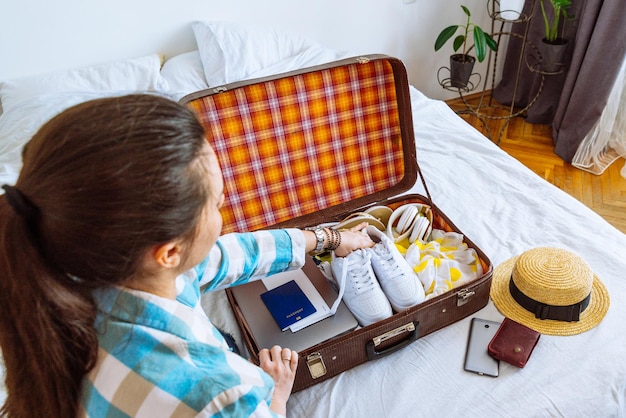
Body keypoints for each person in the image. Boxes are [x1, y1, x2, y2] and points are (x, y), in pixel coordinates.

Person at [0, 94, 373, 417]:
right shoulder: (220, 395)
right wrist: (274, 396)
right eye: (216, 203)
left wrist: (326, 238)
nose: (224, 209)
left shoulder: (68, 263)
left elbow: (223, 256)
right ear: (168, 252)